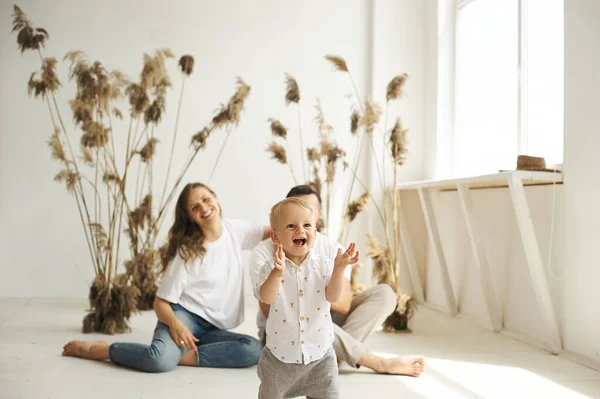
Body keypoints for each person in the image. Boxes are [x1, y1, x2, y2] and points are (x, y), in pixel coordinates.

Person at [62, 182, 270, 372]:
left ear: (215, 198)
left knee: (253, 349)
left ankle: (181, 356)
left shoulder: (236, 230)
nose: (204, 208)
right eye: (194, 207)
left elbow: (276, 230)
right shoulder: (187, 252)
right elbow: (160, 302)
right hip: (184, 317)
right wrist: (175, 325)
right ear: (190, 217)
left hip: (212, 329)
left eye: (206, 199)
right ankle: (102, 350)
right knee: (157, 361)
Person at [249, 185, 425, 377]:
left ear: (318, 216)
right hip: (280, 329)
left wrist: (336, 272)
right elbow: (268, 308)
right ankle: (379, 363)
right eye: (292, 220)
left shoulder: (331, 248)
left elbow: (343, 304)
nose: (300, 223)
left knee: (385, 294)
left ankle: (329, 354)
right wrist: (283, 271)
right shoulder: (263, 253)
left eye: (308, 213)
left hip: (324, 320)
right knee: (308, 320)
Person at [255, 197, 359, 399]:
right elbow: (267, 298)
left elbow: (334, 296)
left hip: (320, 355)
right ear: (276, 237)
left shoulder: (324, 264)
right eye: (291, 226)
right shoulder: (270, 267)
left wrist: (339, 269)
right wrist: (276, 275)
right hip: (281, 357)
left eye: (307, 225)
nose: (300, 231)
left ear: (315, 232)